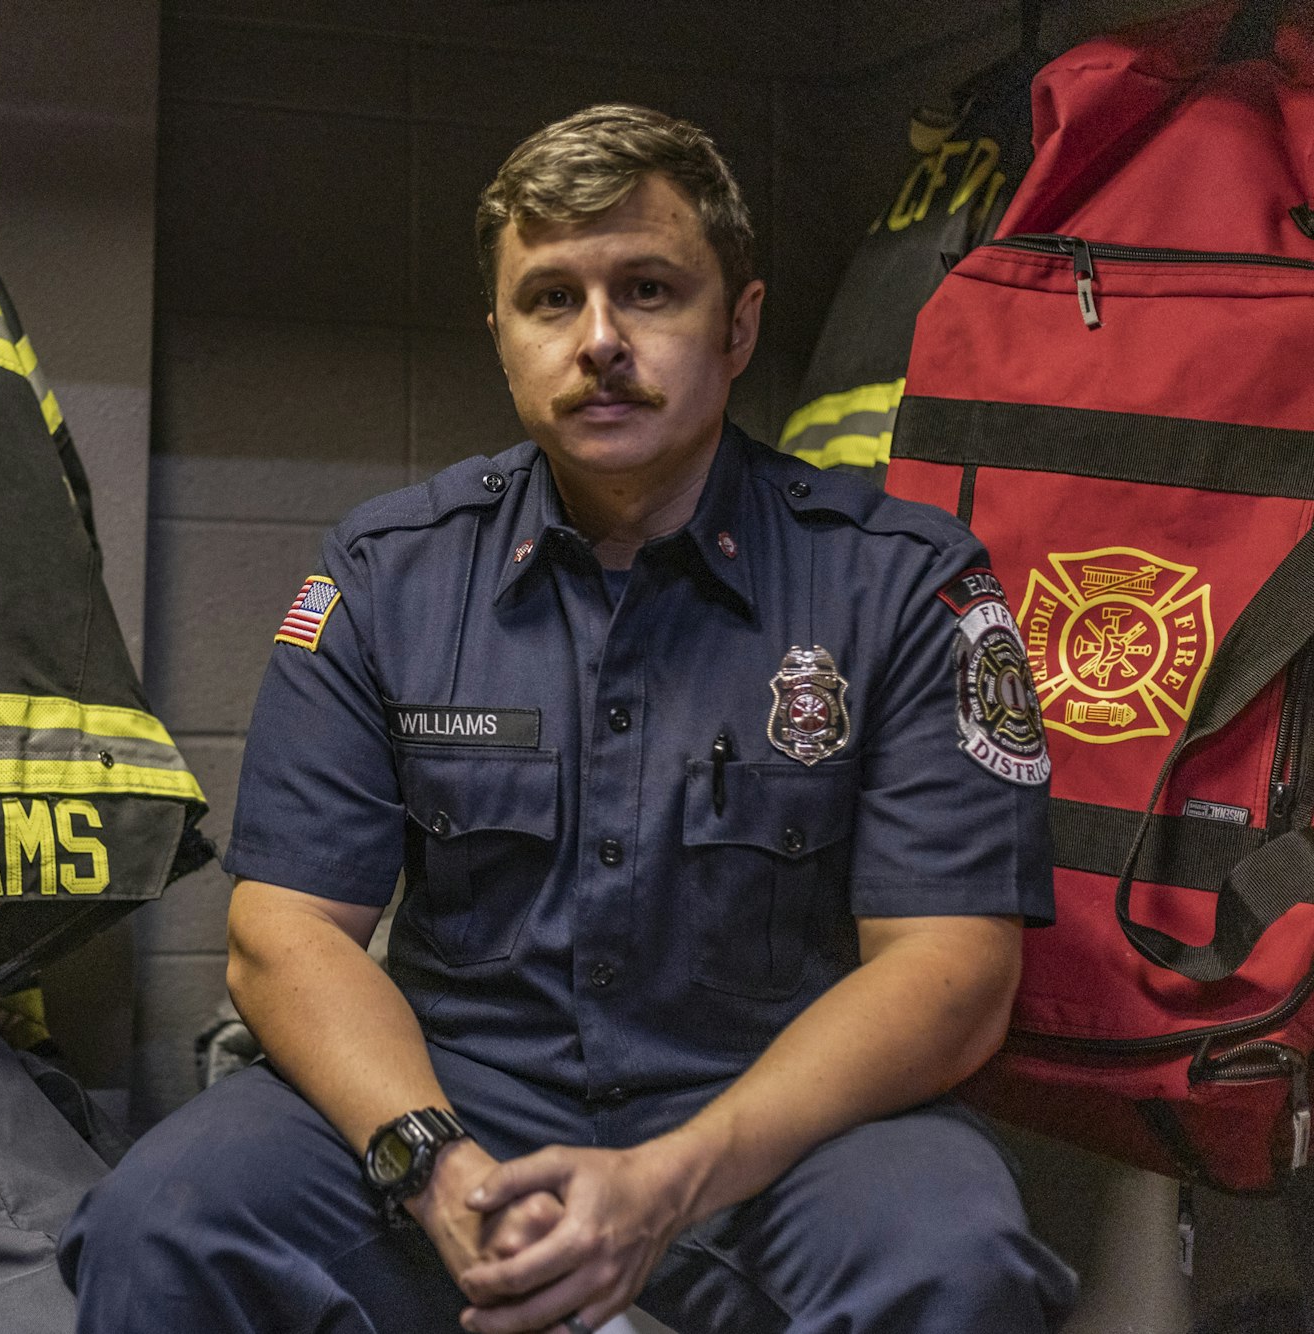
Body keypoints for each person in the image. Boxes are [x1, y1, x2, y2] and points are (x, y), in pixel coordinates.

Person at [58, 104, 1076, 1334]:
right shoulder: (386, 574)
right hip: (456, 1104)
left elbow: (950, 969)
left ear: (737, 323)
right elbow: (283, 932)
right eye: (550, 299)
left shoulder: (901, 582)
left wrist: (671, 1179)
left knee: (956, 1260)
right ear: (500, 335)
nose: (598, 341)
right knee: (163, 1220)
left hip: (777, 1126)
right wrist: (432, 1163)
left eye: (647, 289)